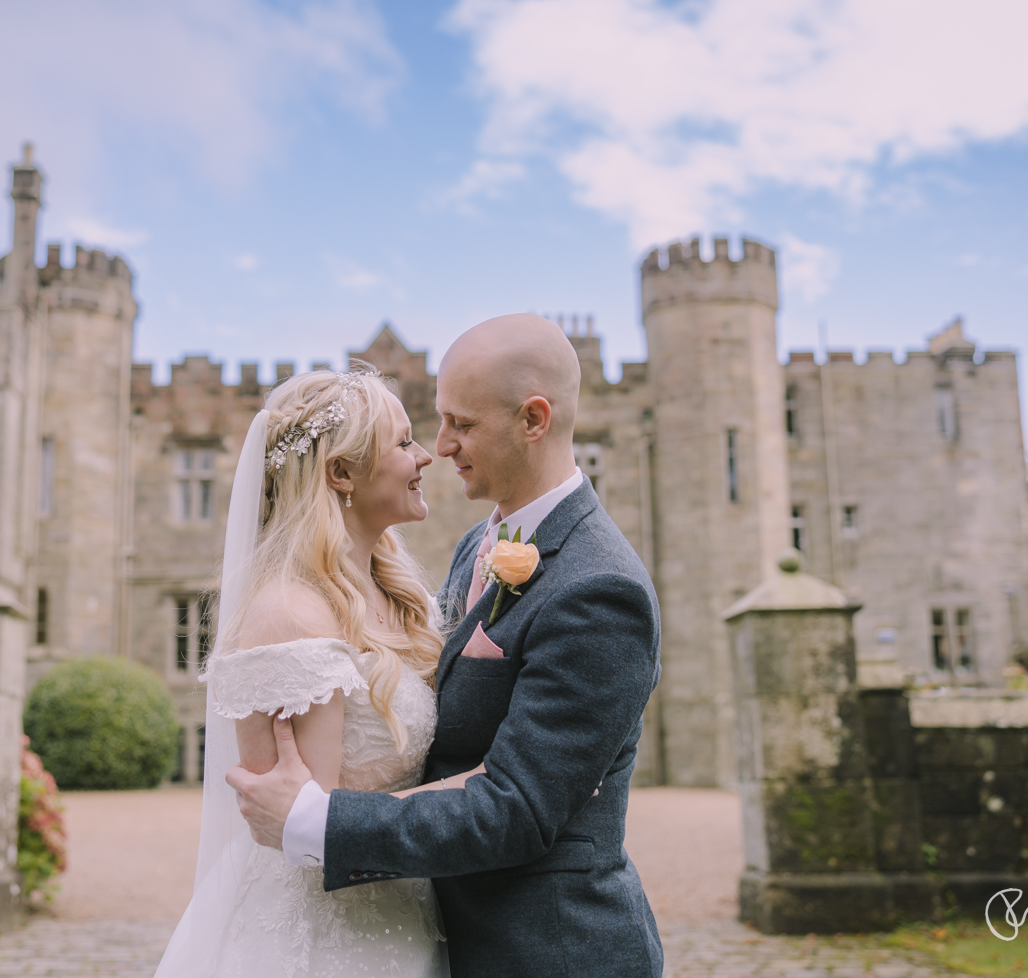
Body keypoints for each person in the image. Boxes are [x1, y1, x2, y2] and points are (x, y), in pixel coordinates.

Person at [227, 313, 664, 978]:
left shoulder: (599, 586)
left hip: (548, 950)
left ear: (534, 419)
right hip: (424, 932)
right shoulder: (476, 547)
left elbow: (516, 806)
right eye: (432, 423)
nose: (440, 445)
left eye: (461, 424)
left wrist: (316, 822)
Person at [154, 366, 473, 978]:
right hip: (325, 936)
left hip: (402, 911)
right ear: (341, 473)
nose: (425, 455)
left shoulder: (396, 596)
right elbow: (304, 827)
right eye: (404, 442)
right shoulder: (290, 613)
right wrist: (485, 787)